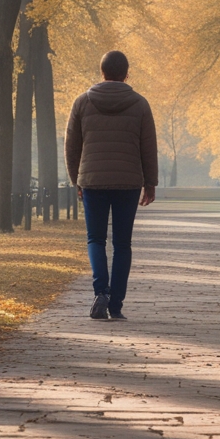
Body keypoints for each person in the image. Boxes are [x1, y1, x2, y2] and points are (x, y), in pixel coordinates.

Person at [64, 50, 157, 320]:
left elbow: (71, 147)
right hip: (128, 181)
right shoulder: (140, 104)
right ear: (127, 73)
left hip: (93, 180)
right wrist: (150, 183)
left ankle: (100, 291)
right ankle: (116, 305)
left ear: (102, 71)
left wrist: (76, 179)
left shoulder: (82, 102)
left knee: (95, 239)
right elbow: (148, 147)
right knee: (122, 244)